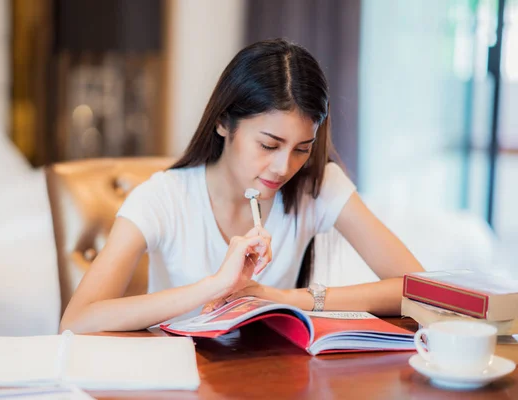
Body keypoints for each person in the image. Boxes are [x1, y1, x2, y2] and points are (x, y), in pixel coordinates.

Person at [59, 39, 424, 333]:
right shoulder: (163, 198)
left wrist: (282, 298)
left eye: (302, 149)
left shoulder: (317, 185)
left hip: (270, 376)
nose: (284, 168)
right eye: (268, 145)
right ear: (223, 123)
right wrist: (214, 286)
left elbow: (420, 290)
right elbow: (78, 321)